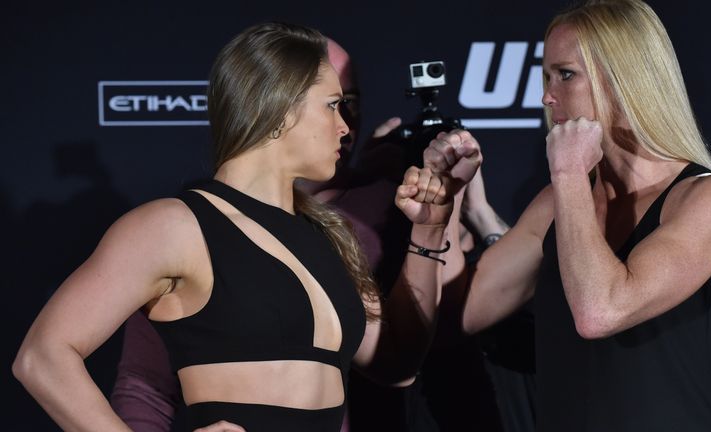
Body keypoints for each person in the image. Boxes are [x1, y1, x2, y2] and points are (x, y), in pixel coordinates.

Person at [13, 22, 468, 432]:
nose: (346, 127)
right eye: (332, 106)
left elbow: (397, 365)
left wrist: (429, 233)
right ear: (279, 108)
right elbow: (43, 358)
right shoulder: (174, 226)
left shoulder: (330, 234)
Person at [424, 1, 711, 431]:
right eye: (545, 77)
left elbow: (600, 311)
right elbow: (466, 312)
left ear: (627, 82)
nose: (547, 96)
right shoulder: (559, 202)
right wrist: (449, 202)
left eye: (565, 75)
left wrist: (567, 171)